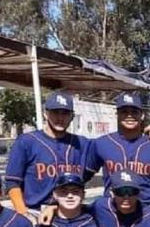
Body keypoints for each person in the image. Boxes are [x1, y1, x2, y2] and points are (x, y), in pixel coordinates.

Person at [5, 91, 91, 219]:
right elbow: (12, 182)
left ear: (72, 116)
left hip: (71, 212)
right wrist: (23, 213)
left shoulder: (82, 143)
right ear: (45, 114)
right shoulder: (27, 141)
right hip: (35, 212)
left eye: (65, 113)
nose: (60, 118)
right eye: (55, 112)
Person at [86, 92, 150, 206]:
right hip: (113, 209)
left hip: (146, 211)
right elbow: (83, 176)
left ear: (142, 115)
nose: (129, 115)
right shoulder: (101, 143)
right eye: (124, 111)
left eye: (134, 112)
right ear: (117, 114)